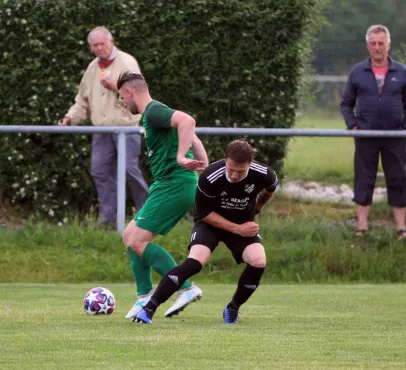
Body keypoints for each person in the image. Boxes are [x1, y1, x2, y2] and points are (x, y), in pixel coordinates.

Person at [132, 139, 279, 324]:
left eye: (240, 171)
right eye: (230, 169)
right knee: (195, 262)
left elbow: (271, 187)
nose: (233, 175)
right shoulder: (210, 176)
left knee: (258, 261)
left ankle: (232, 309)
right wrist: (238, 229)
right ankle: (148, 309)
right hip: (210, 224)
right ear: (226, 159)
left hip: (241, 225)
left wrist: (257, 208)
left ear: (250, 164)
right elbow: (204, 214)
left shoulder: (264, 173)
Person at [116, 71, 209, 319]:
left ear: (129, 91)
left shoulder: (153, 111)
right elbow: (193, 136)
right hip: (172, 183)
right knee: (130, 235)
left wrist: (181, 158)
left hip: (174, 184)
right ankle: (144, 296)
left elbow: (188, 122)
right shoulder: (158, 112)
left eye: (121, 98)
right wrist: (203, 165)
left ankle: (185, 288)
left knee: (138, 241)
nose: (122, 104)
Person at [58, 26, 149, 227]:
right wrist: (69, 118)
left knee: (129, 170)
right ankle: (108, 219)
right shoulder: (92, 68)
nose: (99, 48)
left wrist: (115, 87)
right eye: (95, 45)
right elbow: (82, 100)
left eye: (102, 44)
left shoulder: (127, 62)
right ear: (91, 47)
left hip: (126, 128)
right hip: (101, 130)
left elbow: (139, 96)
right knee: (99, 170)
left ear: (111, 41)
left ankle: (148, 215)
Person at [340, 24, 406, 240]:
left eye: (381, 43)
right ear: (368, 46)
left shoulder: (402, 72)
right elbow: (346, 103)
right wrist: (353, 126)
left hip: (395, 137)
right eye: (373, 43)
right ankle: (361, 228)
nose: (377, 47)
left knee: (398, 179)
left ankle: (401, 228)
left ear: (388, 45)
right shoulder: (357, 72)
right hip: (366, 137)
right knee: (364, 179)